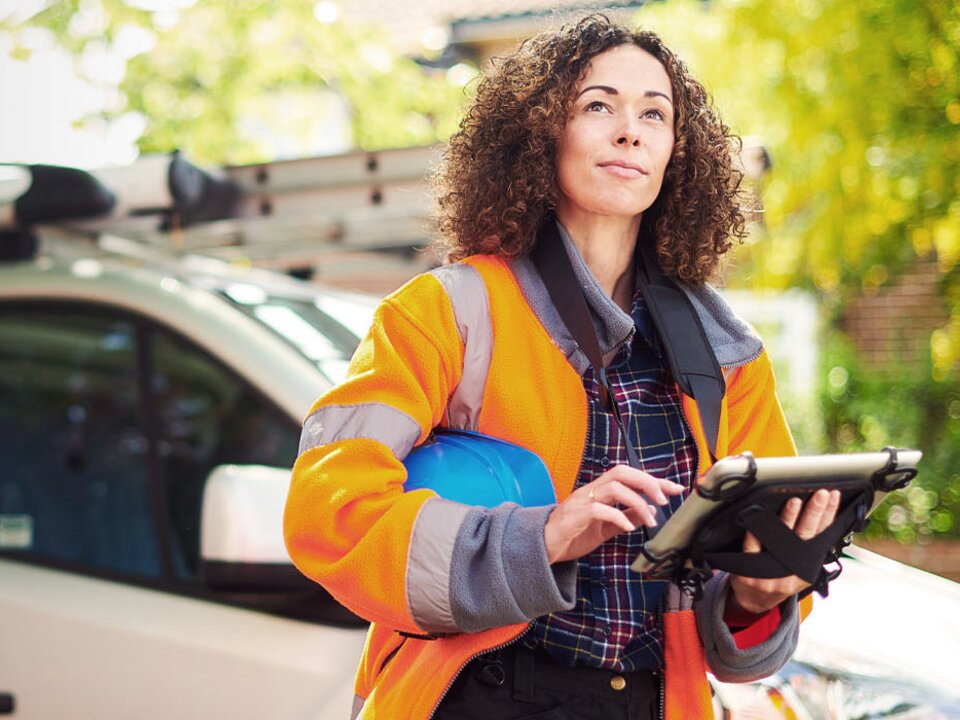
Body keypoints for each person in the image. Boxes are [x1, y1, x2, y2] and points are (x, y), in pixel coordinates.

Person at [284, 15, 840, 720]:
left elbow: (734, 631)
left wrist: (763, 591)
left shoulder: (729, 355)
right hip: (476, 699)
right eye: (598, 106)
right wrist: (539, 538)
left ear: (677, 151)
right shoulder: (443, 313)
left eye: (654, 114)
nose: (630, 131)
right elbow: (327, 512)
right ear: (542, 135)